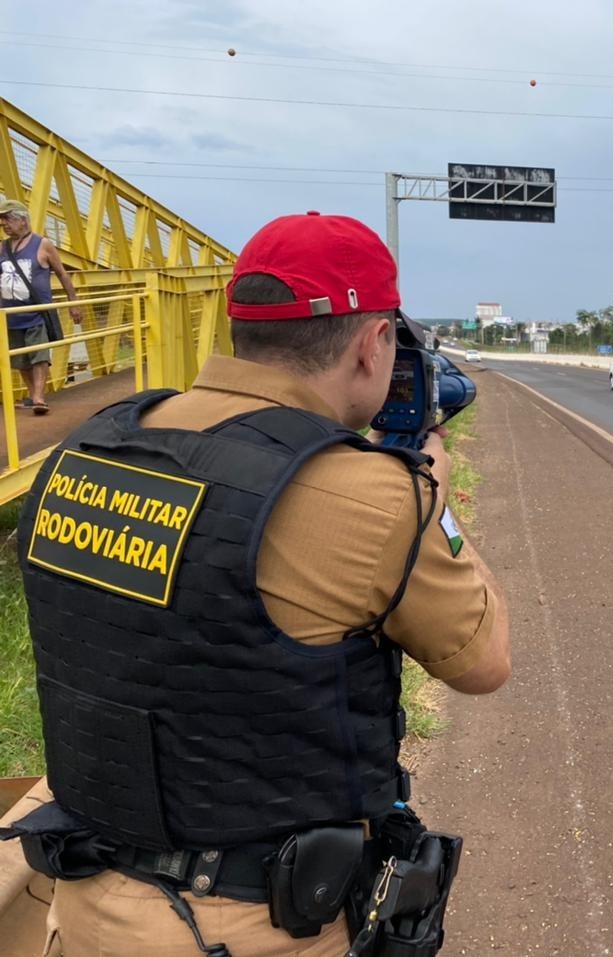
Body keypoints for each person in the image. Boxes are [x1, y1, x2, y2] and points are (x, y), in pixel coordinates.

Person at [2, 211, 511, 956]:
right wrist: (428, 494)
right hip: (252, 925)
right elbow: (483, 661)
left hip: (84, 897)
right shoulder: (370, 495)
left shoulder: (89, 447)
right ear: (373, 344)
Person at [0, 198, 84, 414]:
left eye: (8, 219)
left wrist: (73, 303)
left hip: (37, 313)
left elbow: (63, 274)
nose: (4, 225)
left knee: (39, 355)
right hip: (10, 314)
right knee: (20, 359)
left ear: (23, 220)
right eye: (2, 221)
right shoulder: (3, 247)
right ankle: (33, 395)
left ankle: (39, 397)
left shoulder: (42, 244)